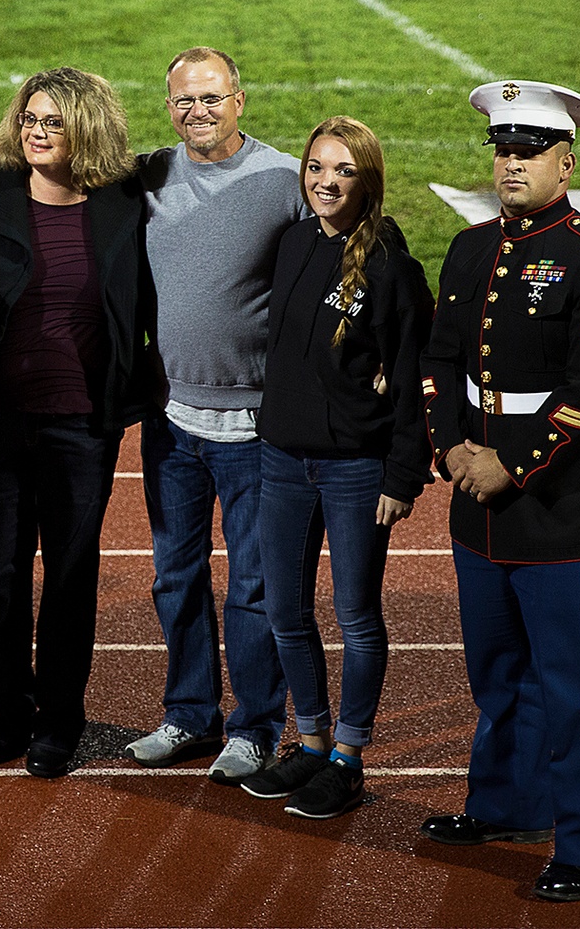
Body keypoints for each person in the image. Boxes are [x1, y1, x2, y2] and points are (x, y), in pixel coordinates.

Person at [418, 80, 580, 905]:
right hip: (477, 507)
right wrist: (447, 444)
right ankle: (504, 804)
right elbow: (440, 360)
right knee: (496, 671)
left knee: (573, 689)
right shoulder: (470, 247)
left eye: (527, 151)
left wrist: (507, 463)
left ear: (566, 161)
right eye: (501, 149)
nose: (509, 162)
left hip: (562, 511)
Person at [0, 69, 150, 779]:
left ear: (87, 129)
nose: (36, 131)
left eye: (54, 121)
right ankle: (1, 716)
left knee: (69, 579)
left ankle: (59, 723)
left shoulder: (126, 202)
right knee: (0, 579)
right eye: (31, 118)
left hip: (82, 423)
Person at [239, 116, 432, 820]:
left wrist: (400, 475)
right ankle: (312, 740)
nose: (325, 181)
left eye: (342, 170)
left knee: (354, 614)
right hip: (281, 460)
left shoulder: (388, 265)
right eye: (316, 168)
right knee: (286, 611)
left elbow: (413, 376)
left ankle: (349, 755)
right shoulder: (292, 242)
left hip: (355, 469)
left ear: (367, 180)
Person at [125, 47, 305, 783]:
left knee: (254, 587)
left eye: (210, 97)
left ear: (240, 99)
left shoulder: (285, 179)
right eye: (182, 101)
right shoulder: (147, 176)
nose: (197, 111)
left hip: (255, 427)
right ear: (167, 107)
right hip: (169, 421)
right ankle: (189, 713)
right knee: (175, 574)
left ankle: (256, 726)